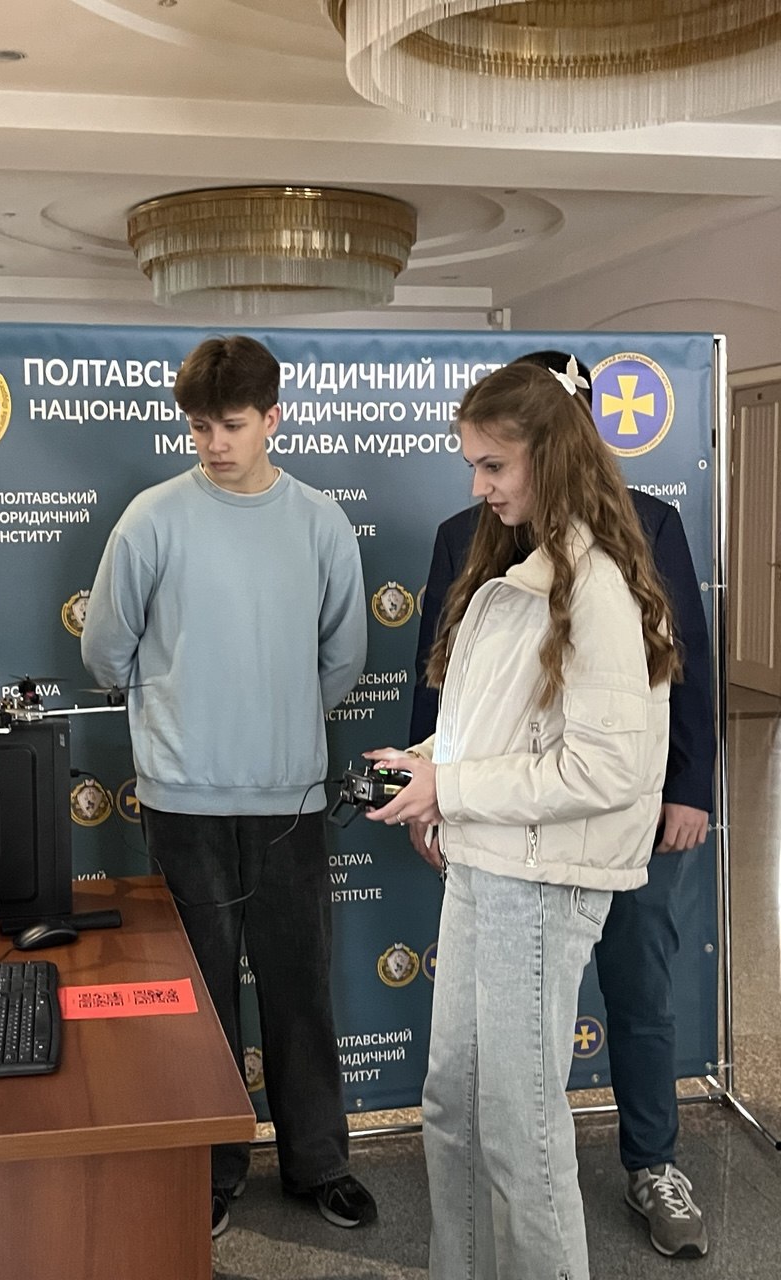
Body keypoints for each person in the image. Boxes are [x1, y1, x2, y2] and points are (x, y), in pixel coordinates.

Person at [364, 358, 679, 1280]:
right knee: (455, 1108)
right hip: (490, 866)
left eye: (494, 466)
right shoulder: (520, 569)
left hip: (540, 885)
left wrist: (453, 788)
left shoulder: (596, 587)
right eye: (474, 465)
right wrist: (430, 764)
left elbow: (607, 767)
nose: (479, 487)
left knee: (518, 1130)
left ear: (552, 455)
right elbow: (508, 727)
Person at [80, 334, 376, 1239]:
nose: (214, 443)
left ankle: (318, 1162)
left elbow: (344, 655)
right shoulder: (152, 519)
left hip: (289, 797)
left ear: (273, 419)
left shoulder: (320, 522)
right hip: (182, 797)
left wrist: (279, 717)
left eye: (233, 425)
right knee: (200, 996)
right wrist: (179, 712)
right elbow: (106, 648)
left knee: (299, 987)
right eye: (201, 426)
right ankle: (208, 1169)